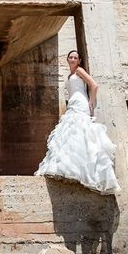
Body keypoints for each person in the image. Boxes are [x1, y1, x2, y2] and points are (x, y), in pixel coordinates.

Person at [34, 49, 121, 195]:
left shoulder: (79, 71)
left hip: (81, 104)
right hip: (72, 104)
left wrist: (91, 103)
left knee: (80, 132)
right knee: (70, 135)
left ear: (79, 60)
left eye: (75, 57)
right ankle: (69, 169)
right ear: (68, 60)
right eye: (71, 57)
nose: (73, 59)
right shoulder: (69, 75)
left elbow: (94, 85)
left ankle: (85, 172)